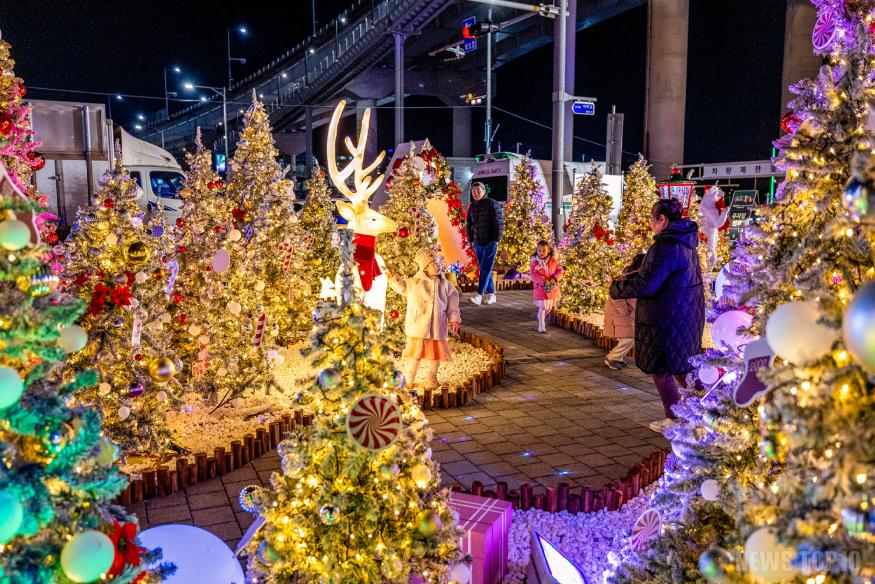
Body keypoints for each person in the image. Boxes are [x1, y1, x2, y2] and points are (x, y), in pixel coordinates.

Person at [609, 198, 705, 433]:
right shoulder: (686, 242)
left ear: (663, 219)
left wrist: (618, 288)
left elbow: (648, 284)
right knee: (683, 368)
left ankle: (676, 419)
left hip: (665, 319)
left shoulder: (665, 245)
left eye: (653, 219)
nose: (651, 224)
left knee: (662, 369)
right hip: (684, 316)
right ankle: (705, 412)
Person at [389, 247, 461, 391]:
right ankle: (409, 377)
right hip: (418, 326)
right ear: (425, 268)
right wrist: (393, 279)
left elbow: (453, 305)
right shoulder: (414, 282)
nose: (439, 265)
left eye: (439, 262)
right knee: (415, 355)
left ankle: (431, 377)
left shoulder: (447, 286)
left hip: (437, 326)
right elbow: (401, 287)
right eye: (434, 263)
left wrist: (454, 319)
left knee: (436, 355)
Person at [603, 253, 646, 370]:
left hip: (627, 316)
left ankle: (618, 358)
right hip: (620, 315)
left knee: (629, 338)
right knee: (628, 339)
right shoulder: (627, 278)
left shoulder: (638, 278)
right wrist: (625, 311)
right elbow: (616, 296)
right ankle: (612, 358)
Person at [465, 181, 504, 306]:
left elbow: (499, 222)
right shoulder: (472, 206)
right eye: (473, 191)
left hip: (490, 241)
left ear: (483, 191)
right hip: (478, 242)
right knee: (484, 268)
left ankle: (479, 295)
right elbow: (469, 225)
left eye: (478, 190)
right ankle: (492, 295)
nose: (476, 193)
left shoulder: (491, 204)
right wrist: (471, 240)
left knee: (486, 268)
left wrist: (496, 239)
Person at [529, 239, 563, 334]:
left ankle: (540, 316)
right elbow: (533, 274)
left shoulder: (553, 261)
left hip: (551, 287)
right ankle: (541, 325)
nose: (541, 252)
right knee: (543, 307)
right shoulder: (535, 262)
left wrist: (554, 278)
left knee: (549, 307)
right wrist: (543, 280)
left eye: (544, 250)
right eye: (539, 250)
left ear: (548, 250)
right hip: (541, 288)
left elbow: (560, 271)